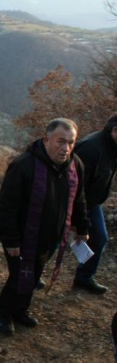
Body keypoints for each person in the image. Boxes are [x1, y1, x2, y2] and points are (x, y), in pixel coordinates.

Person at [0, 118, 89, 336]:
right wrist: (11, 240)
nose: (66, 148)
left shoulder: (75, 166)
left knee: (34, 276)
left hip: (51, 236)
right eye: (60, 142)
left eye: (71, 142)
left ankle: (19, 310)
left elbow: (79, 199)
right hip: (23, 238)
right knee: (19, 277)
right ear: (46, 140)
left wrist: (82, 227)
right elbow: (7, 206)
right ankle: (2, 310)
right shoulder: (23, 165)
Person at [71, 115, 117, 294]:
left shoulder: (113, 146)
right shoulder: (92, 148)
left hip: (92, 202)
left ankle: (84, 278)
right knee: (49, 240)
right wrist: (78, 219)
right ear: (114, 130)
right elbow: (75, 185)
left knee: (99, 238)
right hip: (70, 202)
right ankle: (30, 275)